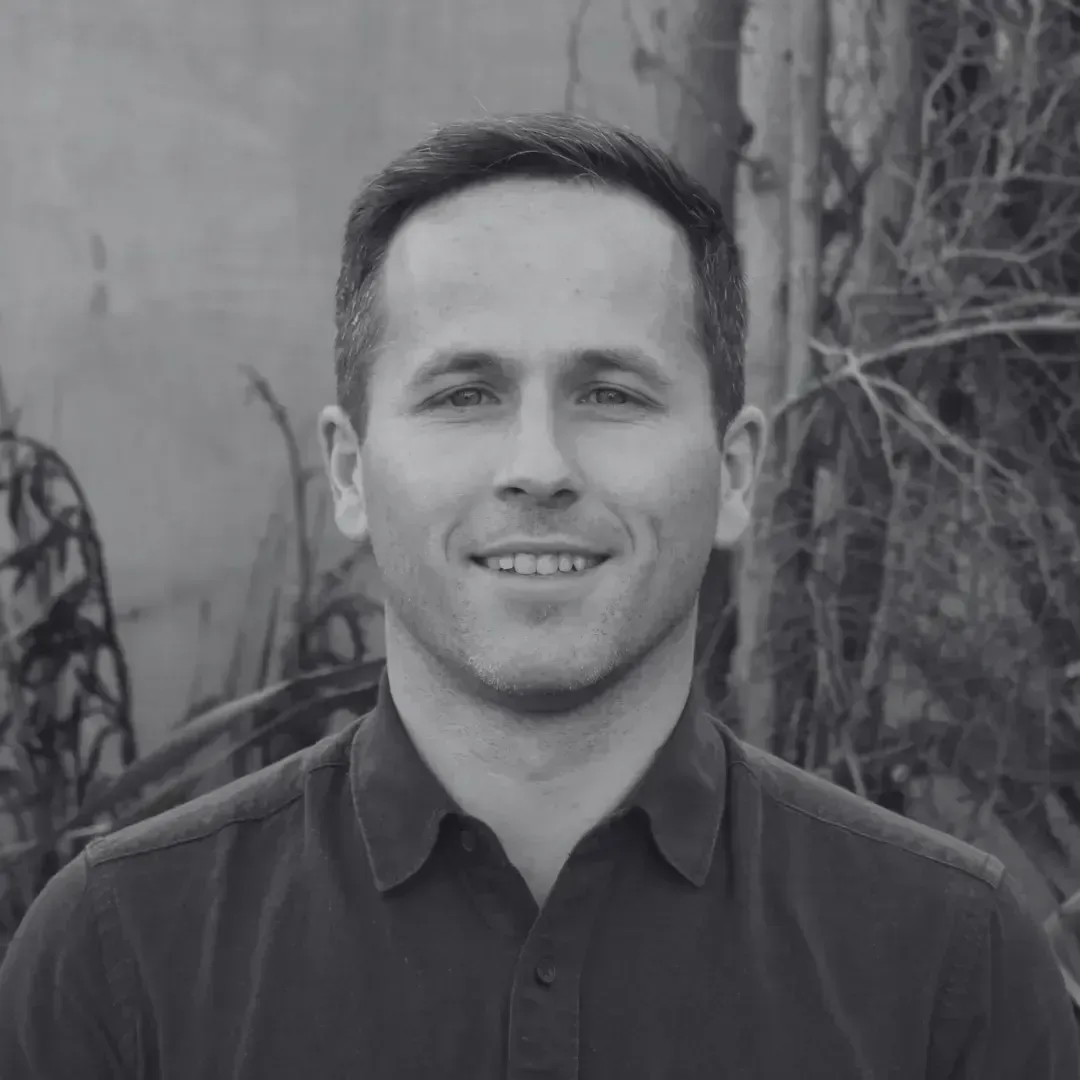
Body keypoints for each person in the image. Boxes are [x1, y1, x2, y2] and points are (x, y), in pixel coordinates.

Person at [0, 113, 1076, 1079]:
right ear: (348, 472)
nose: (539, 464)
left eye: (611, 392)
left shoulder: (950, 971)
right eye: (465, 393)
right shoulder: (121, 958)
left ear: (737, 472)